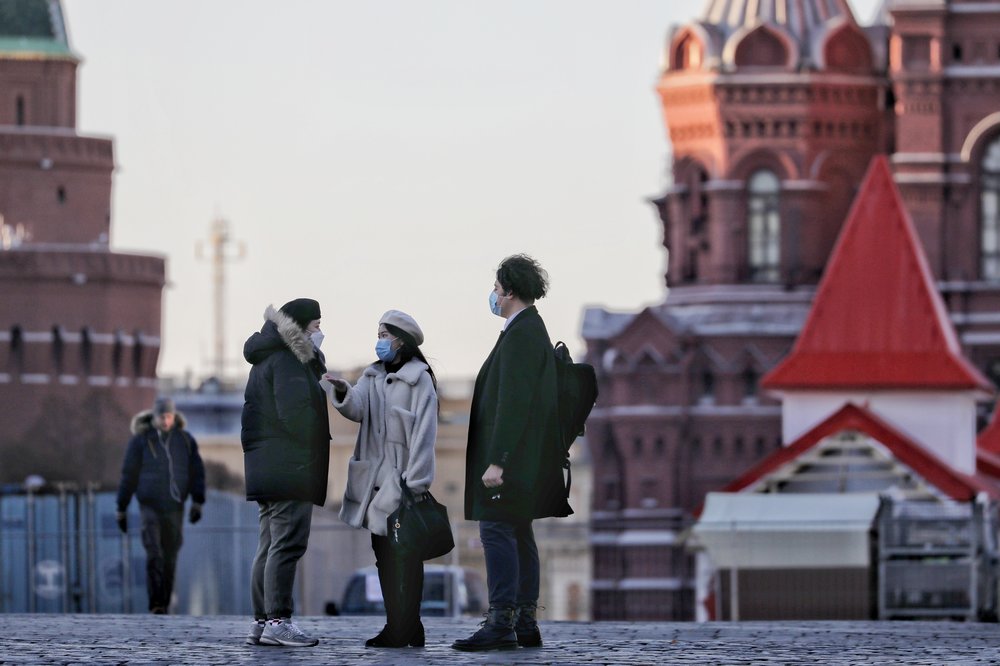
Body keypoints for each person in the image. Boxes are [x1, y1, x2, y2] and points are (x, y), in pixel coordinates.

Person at [452, 254, 568, 652]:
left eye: (497, 289)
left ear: (511, 291)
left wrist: (497, 459)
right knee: (519, 533)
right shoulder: (527, 329)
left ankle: (501, 621)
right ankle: (524, 622)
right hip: (525, 457)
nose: (494, 296)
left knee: (497, 530)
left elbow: (513, 401)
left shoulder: (521, 334)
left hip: (511, 458)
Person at [321, 310, 438, 649]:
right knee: (384, 555)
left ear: (401, 338)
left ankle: (407, 626)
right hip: (374, 483)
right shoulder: (371, 375)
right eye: (379, 334)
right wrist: (343, 391)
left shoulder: (420, 379)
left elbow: (425, 434)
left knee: (408, 558)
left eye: (385, 334)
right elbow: (357, 408)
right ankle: (397, 625)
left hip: (402, 484)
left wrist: (415, 482)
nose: (380, 340)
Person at [241, 298, 330, 647]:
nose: (321, 332)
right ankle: (278, 620)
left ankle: (262, 622)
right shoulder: (290, 359)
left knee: (269, 545)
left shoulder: (266, 356)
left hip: (267, 467)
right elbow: (296, 415)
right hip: (289, 466)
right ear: (301, 327)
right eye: (316, 325)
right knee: (287, 544)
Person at [116, 396, 206, 615]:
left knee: (171, 555)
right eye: (161, 416)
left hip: (175, 506)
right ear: (154, 417)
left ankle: (164, 603)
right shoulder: (141, 441)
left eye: (168, 416)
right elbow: (128, 475)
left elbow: (197, 473)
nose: (165, 420)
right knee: (154, 552)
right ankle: (156, 603)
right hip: (149, 506)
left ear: (174, 417)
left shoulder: (185, 441)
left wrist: (197, 502)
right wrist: (122, 507)